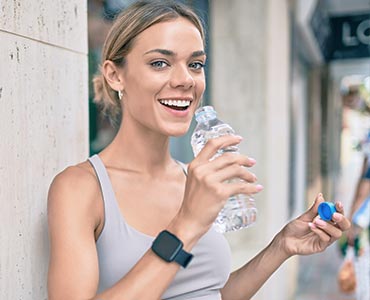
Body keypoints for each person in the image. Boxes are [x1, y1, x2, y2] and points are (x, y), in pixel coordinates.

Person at [47, 1, 351, 299]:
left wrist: (281, 247)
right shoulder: (80, 188)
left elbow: (210, 294)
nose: (185, 80)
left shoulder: (191, 180)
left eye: (195, 64)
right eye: (159, 63)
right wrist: (186, 226)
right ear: (115, 75)